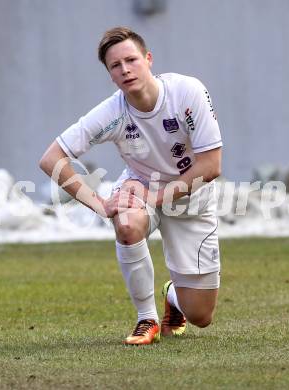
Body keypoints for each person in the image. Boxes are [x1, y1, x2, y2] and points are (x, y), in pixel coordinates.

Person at [39, 27, 222, 345]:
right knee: (125, 220)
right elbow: (51, 159)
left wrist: (157, 196)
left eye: (131, 60)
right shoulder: (112, 112)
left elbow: (211, 165)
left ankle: (173, 297)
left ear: (148, 59)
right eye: (115, 65)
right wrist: (101, 205)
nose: (125, 69)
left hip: (191, 200)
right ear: (110, 75)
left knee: (201, 316)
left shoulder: (187, 92)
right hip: (140, 189)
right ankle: (146, 319)